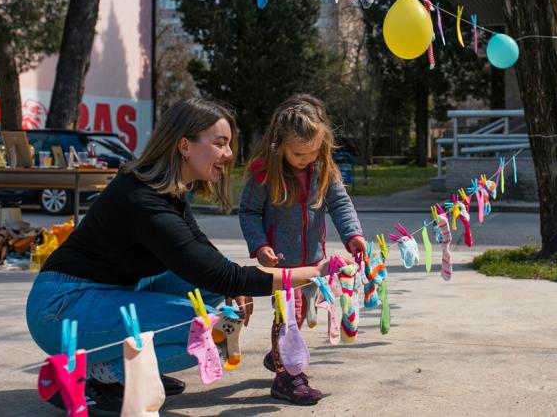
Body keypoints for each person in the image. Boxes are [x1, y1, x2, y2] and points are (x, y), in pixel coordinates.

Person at [27, 98, 337, 415]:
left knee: (216, 294)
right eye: (220, 143)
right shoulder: (145, 202)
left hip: (105, 292)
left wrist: (233, 283)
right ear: (185, 146)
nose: (229, 154)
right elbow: (219, 274)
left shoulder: (166, 188)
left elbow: (201, 251)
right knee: (213, 334)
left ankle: (124, 368)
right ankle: (96, 374)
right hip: (61, 308)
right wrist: (314, 270)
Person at [239, 94, 366, 405]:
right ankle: (286, 377)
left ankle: (277, 354)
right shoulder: (264, 171)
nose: (305, 159)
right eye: (298, 154)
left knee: (303, 314)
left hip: (313, 264)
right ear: (278, 142)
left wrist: (353, 235)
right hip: (280, 267)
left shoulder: (322, 168)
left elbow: (340, 204)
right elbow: (249, 212)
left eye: (312, 152)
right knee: (289, 316)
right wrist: (260, 245)